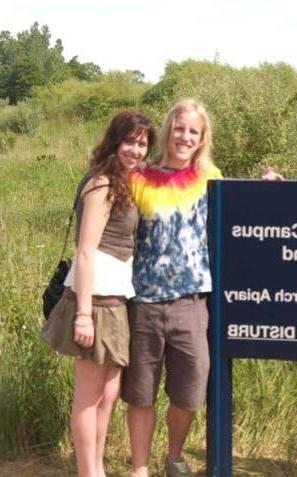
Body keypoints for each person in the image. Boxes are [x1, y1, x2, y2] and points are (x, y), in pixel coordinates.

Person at [42, 110, 155, 477]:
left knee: (107, 395)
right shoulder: (102, 184)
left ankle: (97, 467)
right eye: (129, 141)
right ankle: (87, 472)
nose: (135, 150)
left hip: (116, 300)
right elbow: (86, 251)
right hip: (94, 301)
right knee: (89, 399)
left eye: (142, 144)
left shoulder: (126, 183)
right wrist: (84, 315)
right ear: (114, 142)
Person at [121, 99, 222, 477]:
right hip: (144, 302)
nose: (185, 136)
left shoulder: (210, 177)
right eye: (180, 128)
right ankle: (140, 467)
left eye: (193, 131)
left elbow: (241, 216)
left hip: (191, 303)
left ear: (201, 138)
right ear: (169, 130)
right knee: (141, 392)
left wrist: (268, 190)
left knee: (191, 391)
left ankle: (174, 456)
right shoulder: (139, 177)